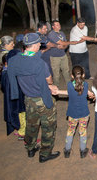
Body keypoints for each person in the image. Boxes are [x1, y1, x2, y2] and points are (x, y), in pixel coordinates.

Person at [8, 33, 60, 163]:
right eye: (39, 44)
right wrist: (51, 84)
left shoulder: (14, 60)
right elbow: (49, 81)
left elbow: (13, 76)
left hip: (28, 99)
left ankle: (30, 149)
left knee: (31, 125)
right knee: (48, 127)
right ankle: (45, 154)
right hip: (42, 99)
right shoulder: (39, 63)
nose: (40, 46)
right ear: (36, 45)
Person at [56, 66, 95, 158]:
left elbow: (68, 92)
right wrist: (92, 95)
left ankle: (67, 150)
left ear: (72, 76)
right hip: (84, 114)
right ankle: (82, 150)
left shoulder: (69, 85)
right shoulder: (85, 85)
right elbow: (87, 92)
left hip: (72, 114)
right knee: (83, 132)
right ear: (83, 75)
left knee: (70, 131)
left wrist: (58, 91)